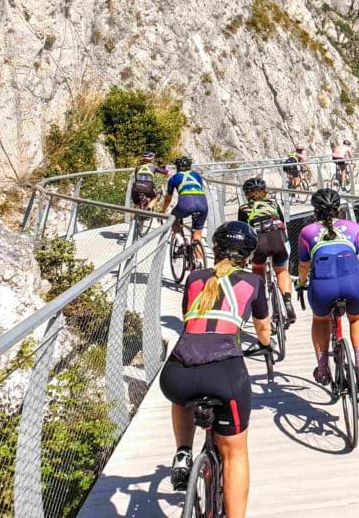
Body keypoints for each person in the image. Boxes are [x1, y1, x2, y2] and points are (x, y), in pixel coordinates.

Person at [160, 221, 271, 518]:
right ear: (247, 255)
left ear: (215, 249)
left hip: (177, 373)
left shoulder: (195, 277)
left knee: (182, 393)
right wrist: (267, 345)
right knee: (235, 453)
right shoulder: (253, 282)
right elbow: (262, 326)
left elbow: (189, 320)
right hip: (223, 372)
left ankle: (183, 452)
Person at [296, 188, 359, 391]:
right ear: (338, 209)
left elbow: (303, 266)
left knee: (320, 320)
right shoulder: (353, 227)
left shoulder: (307, 232)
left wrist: (301, 284)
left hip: (323, 284)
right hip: (352, 280)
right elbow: (355, 252)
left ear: (315, 211)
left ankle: (322, 369)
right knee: (358, 319)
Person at [238, 177, 296, 323]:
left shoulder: (244, 208)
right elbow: (282, 223)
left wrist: (244, 256)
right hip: (278, 238)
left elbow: (243, 232)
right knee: (282, 271)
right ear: (264, 192)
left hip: (260, 242)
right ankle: (287, 301)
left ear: (247, 194)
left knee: (258, 269)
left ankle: (262, 300)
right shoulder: (273, 203)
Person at [160, 156, 209, 259]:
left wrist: (163, 211)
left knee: (172, 218)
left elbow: (168, 198)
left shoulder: (173, 178)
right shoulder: (197, 176)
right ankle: (200, 262)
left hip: (185, 203)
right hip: (203, 203)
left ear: (177, 167)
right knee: (197, 235)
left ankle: (181, 242)